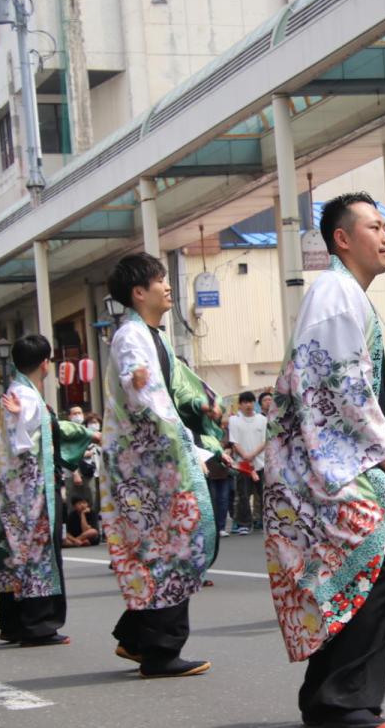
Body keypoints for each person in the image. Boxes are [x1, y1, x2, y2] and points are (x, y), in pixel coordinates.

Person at [263, 193, 385, 728]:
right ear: (342, 239)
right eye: (374, 227)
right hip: (331, 467)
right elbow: (343, 383)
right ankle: (341, 702)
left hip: (328, 463)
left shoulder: (342, 294)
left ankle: (328, 697)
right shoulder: (337, 294)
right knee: (377, 569)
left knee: (358, 573)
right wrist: (383, 449)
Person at [102, 252, 218, 678]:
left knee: (164, 551)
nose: (167, 286)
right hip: (148, 466)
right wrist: (189, 449)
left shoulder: (152, 335)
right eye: (159, 280)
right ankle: (160, 652)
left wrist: (206, 406)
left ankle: (138, 639)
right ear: (138, 292)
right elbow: (146, 393)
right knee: (173, 550)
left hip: (155, 461)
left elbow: (178, 388)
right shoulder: (131, 337)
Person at [0, 334, 96, 647]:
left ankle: (12, 621)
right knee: (38, 552)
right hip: (32, 490)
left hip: (12, 488)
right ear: (46, 363)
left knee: (14, 551)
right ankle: (38, 624)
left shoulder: (17, 391)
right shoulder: (26, 395)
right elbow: (25, 441)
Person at [227, 391, 267, 535]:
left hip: (260, 463)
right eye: (245, 402)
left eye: (250, 402)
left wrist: (253, 455)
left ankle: (264, 521)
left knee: (263, 494)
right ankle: (244, 523)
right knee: (243, 494)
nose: (248, 405)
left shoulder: (262, 419)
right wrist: (245, 456)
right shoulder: (234, 420)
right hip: (242, 465)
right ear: (240, 404)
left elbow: (264, 440)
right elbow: (234, 441)